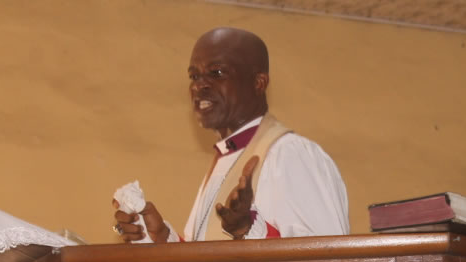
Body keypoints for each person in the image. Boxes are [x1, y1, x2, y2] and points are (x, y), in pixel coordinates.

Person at [113, 28, 349, 242]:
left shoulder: (289, 154)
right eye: (194, 76)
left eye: (216, 73)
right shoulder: (225, 157)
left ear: (259, 83)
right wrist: (161, 237)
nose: (199, 86)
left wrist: (248, 227)